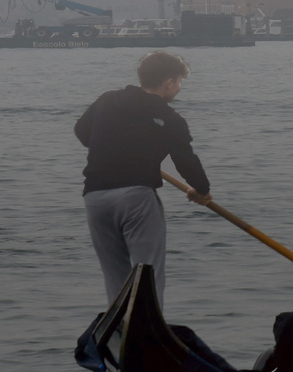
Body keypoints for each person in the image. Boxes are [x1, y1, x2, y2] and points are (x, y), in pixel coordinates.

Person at [74, 51, 211, 306]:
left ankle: (118, 332)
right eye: (180, 82)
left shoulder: (107, 100)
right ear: (169, 82)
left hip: (95, 197)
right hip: (135, 197)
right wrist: (201, 190)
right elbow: (186, 161)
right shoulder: (170, 118)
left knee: (115, 276)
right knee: (147, 273)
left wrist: (112, 145)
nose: (179, 89)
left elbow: (82, 132)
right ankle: (146, 329)